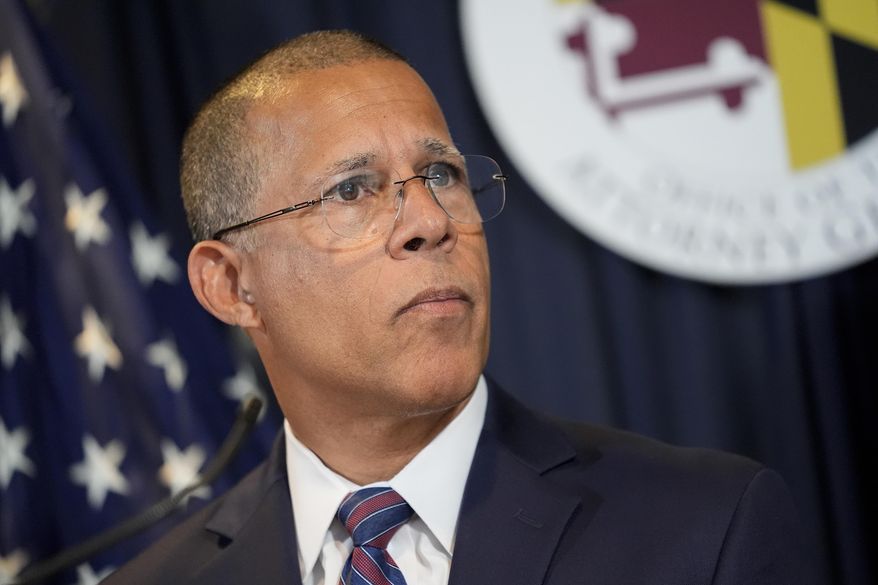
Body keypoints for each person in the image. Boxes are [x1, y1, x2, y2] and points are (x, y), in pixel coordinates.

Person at [106, 30, 813, 585]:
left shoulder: (705, 528)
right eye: (353, 190)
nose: (430, 220)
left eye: (441, 173)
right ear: (231, 286)